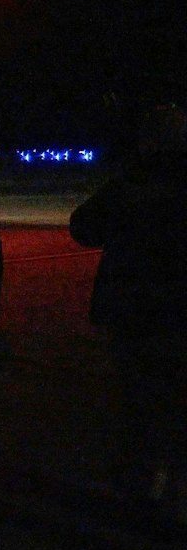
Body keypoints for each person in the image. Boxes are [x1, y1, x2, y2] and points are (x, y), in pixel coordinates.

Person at [71, 80, 187, 523]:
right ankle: (173, 486)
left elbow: (84, 227)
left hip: (135, 304)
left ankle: (146, 483)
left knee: (141, 396)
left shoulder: (133, 183)